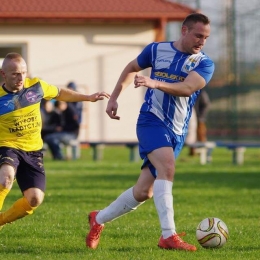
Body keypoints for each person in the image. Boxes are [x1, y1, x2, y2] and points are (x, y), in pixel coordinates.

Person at [86, 13, 215, 251]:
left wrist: (155, 83)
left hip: (176, 130)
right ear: (184, 30)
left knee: (144, 191)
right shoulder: (156, 50)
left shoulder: (204, 63)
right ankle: (168, 236)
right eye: (198, 35)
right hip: (151, 120)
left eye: (206, 37)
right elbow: (131, 67)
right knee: (167, 167)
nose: (202, 41)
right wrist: (114, 98)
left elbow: (187, 88)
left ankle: (98, 218)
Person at [0, 52, 110, 230]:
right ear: (3, 74)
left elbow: (60, 94)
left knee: (34, 199)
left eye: (23, 72)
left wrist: (88, 97)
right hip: (7, 147)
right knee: (5, 179)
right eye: (15, 74)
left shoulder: (36, 87)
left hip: (33, 151)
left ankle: (2, 220)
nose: (21, 78)